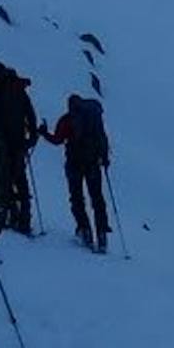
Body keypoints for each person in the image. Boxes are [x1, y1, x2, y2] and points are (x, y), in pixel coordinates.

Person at [0, 61, 39, 235]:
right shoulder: (18, 88)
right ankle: (24, 219)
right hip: (18, 141)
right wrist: (32, 136)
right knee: (20, 178)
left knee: (4, 177)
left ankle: (10, 214)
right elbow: (30, 113)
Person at [44, 92, 111, 252]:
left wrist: (43, 132)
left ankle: (84, 230)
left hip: (74, 163)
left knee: (77, 197)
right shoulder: (94, 120)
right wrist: (105, 159)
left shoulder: (67, 120)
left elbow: (57, 140)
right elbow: (103, 138)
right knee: (97, 198)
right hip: (93, 163)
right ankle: (102, 235)